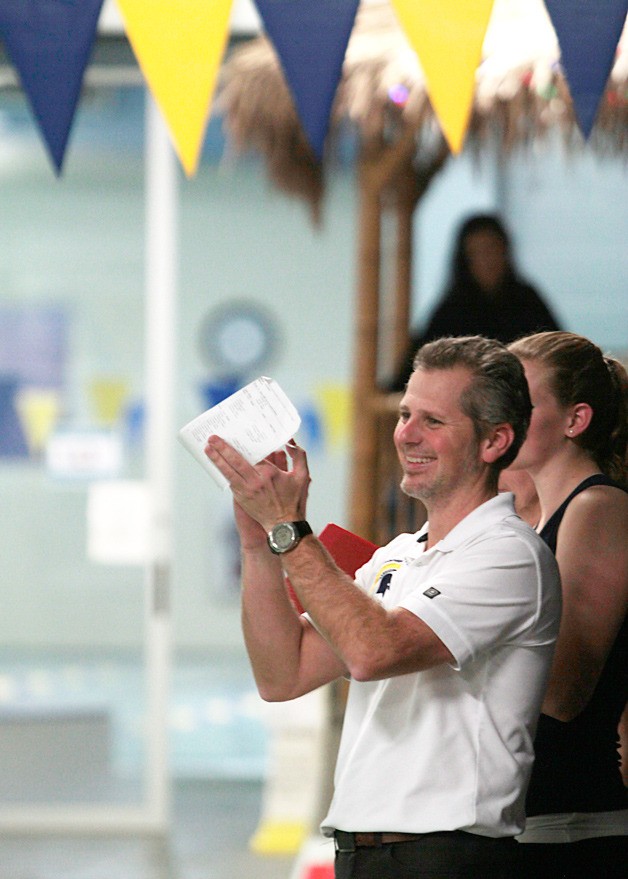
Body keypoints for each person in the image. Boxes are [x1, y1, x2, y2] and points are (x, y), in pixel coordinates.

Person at [204, 335, 561, 879]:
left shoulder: (510, 555)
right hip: (363, 851)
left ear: (494, 442)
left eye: (434, 422)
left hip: (448, 857)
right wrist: (259, 546)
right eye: (404, 414)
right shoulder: (399, 555)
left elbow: (373, 651)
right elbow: (283, 673)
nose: (406, 436)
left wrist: (291, 530)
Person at [505, 330, 628, 877]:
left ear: (575, 421)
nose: (498, 413)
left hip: (571, 825)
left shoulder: (598, 508)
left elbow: (564, 689)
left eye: (520, 401)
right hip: (523, 820)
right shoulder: (530, 521)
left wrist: (443, 640)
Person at [387, 214, 560, 392]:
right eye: (477, 252)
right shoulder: (452, 309)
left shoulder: (527, 302)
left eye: (492, 249)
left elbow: (555, 355)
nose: (487, 260)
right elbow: (418, 364)